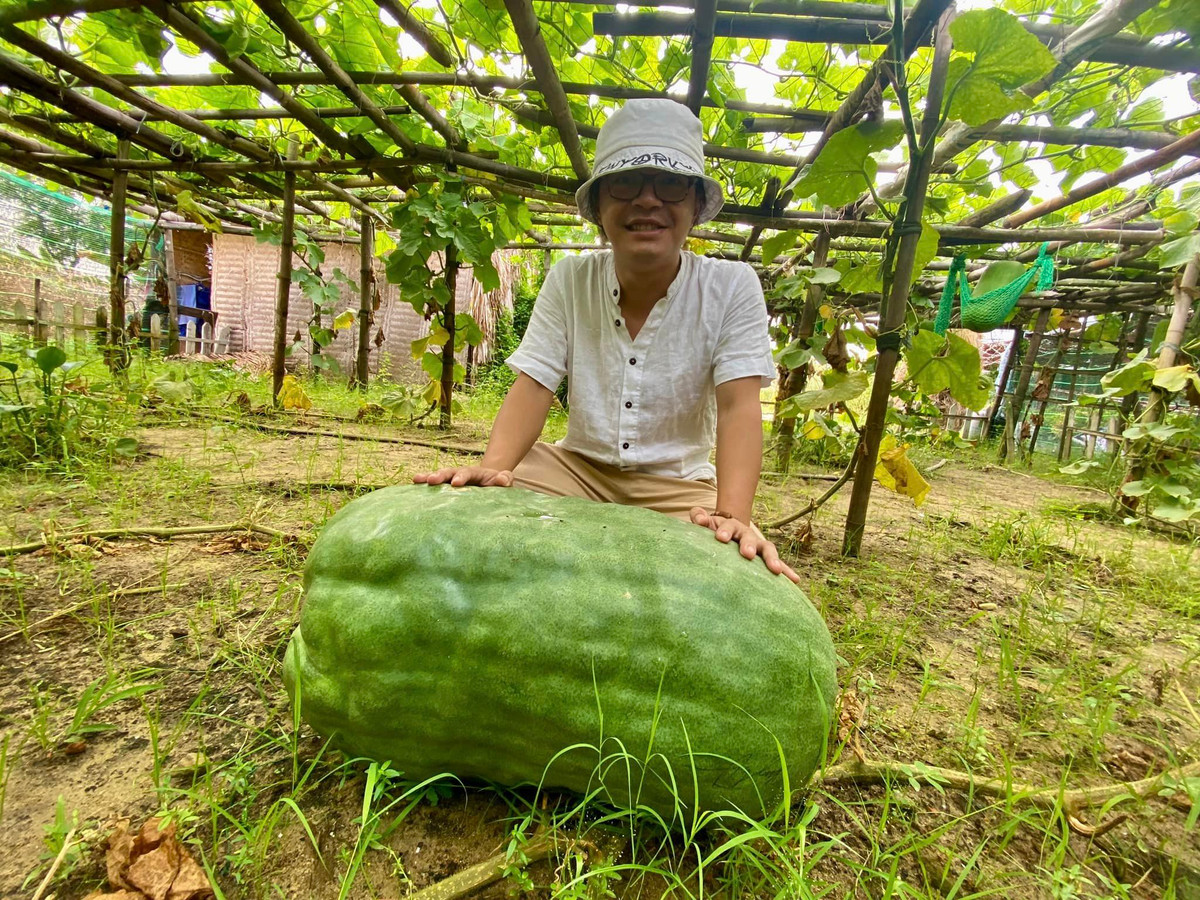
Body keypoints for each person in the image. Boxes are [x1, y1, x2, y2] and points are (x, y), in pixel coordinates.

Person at [415, 99, 797, 583]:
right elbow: (535, 384)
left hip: (676, 487)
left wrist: (735, 515)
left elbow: (739, 406)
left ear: (696, 206)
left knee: (728, 570)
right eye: (625, 182)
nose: (647, 200)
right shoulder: (569, 277)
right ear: (598, 207)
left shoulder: (732, 285)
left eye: (672, 183)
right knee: (473, 516)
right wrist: (495, 469)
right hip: (574, 470)